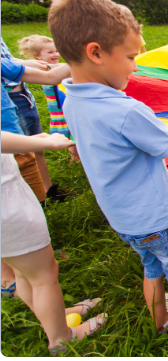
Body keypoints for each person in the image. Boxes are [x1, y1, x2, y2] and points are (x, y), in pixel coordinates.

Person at [49, 0, 168, 354]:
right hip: (161, 217)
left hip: (126, 221)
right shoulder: (127, 110)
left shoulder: (73, 98)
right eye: (131, 57)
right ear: (96, 52)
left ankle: (158, 323)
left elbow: (146, 134)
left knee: (152, 269)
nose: (135, 65)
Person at [1, 131, 107, 355]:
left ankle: (53, 318)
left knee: (23, 273)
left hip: (7, 203)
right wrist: (47, 143)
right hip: (7, 205)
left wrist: (32, 140)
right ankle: (62, 339)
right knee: (43, 277)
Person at [1, 57, 71, 299]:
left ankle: (19, 268)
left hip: (11, 145)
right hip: (9, 150)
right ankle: (61, 335)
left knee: (28, 270)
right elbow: (50, 77)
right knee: (42, 276)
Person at [2, 38, 74, 200]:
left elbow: (48, 76)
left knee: (33, 153)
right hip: (10, 106)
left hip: (23, 98)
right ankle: (31, 199)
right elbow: (49, 77)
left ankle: (45, 192)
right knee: (20, 157)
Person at [18, 35, 79, 161]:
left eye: (56, 51)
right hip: (59, 108)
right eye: (50, 52)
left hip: (62, 106)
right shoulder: (45, 69)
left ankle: (74, 156)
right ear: (37, 56)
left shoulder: (49, 67)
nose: (56, 54)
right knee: (71, 132)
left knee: (72, 132)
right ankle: (74, 157)